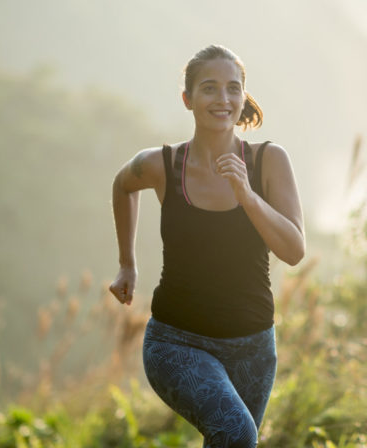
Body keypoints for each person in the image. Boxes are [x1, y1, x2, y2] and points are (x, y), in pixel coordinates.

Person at [108, 45, 305, 447]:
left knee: (233, 440)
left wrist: (248, 196)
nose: (223, 99)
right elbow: (123, 185)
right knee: (236, 433)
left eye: (233, 89)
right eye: (210, 89)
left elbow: (293, 251)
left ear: (243, 97)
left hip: (253, 347)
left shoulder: (268, 161)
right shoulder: (161, 165)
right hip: (176, 343)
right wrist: (127, 264)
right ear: (188, 99)